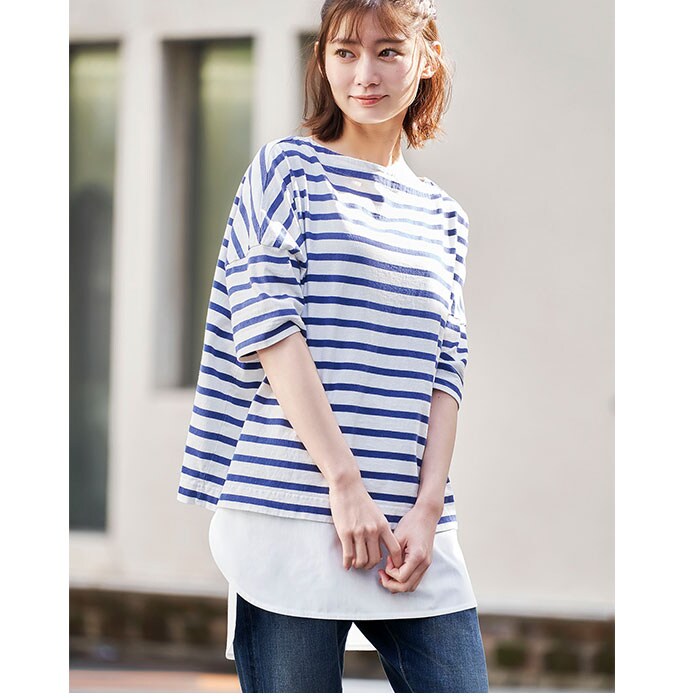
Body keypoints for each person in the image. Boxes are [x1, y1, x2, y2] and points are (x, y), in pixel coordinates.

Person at [177, 0, 490, 692]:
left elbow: (446, 370)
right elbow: (269, 328)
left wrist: (428, 509)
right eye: (345, 52)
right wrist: (343, 485)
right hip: (291, 509)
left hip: (413, 529)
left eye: (388, 51)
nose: (364, 73)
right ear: (322, 60)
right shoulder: (286, 170)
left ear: (427, 58)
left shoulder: (445, 218)